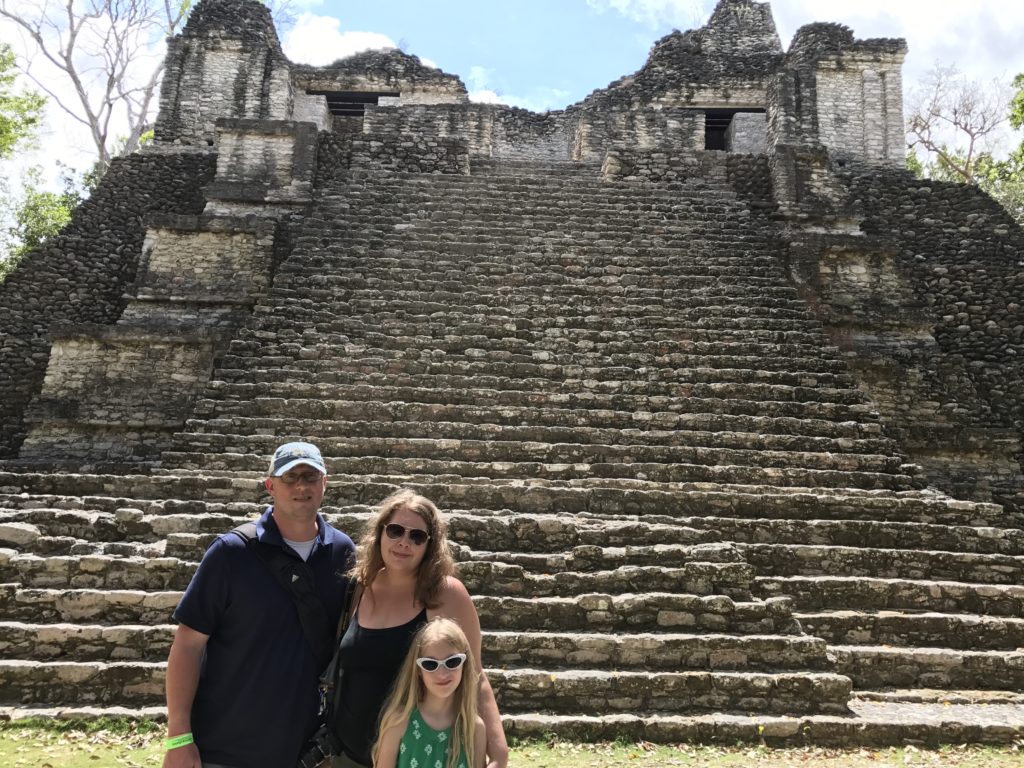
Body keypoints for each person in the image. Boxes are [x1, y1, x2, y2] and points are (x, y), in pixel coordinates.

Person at [163, 441, 355, 768]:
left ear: (325, 482)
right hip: (225, 748)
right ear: (270, 486)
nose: (301, 486)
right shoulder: (231, 553)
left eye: (310, 476)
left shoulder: (341, 552)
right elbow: (188, 645)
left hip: (304, 752)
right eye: (289, 477)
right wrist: (180, 738)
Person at [329, 489, 508, 768]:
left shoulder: (445, 595)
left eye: (417, 536)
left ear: (430, 545)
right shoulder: (358, 587)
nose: (404, 542)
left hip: (418, 757)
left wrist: (498, 752)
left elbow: (475, 674)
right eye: (396, 530)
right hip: (347, 756)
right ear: (380, 533)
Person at [373, 618, 486, 768]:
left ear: (464, 664)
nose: (442, 674)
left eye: (452, 662)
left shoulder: (474, 728)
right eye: (430, 664)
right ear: (418, 670)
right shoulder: (398, 722)